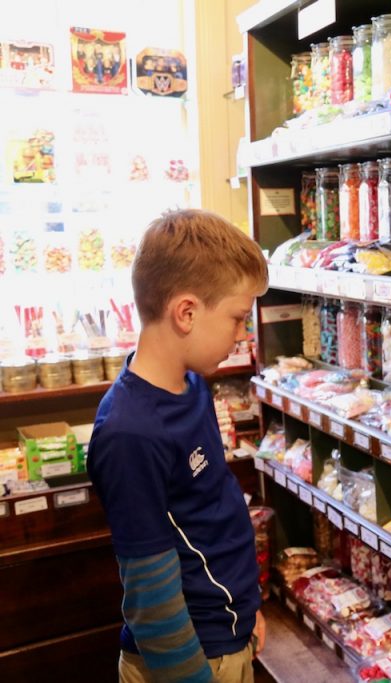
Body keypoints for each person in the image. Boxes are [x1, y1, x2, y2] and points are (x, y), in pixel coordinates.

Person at [88, 209, 269, 682]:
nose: (241, 335)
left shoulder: (192, 386)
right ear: (186, 312)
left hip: (228, 637)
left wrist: (246, 613)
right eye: (236, 318)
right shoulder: (130, 434)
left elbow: (208, 512)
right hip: (186, 662)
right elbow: (151, 594)